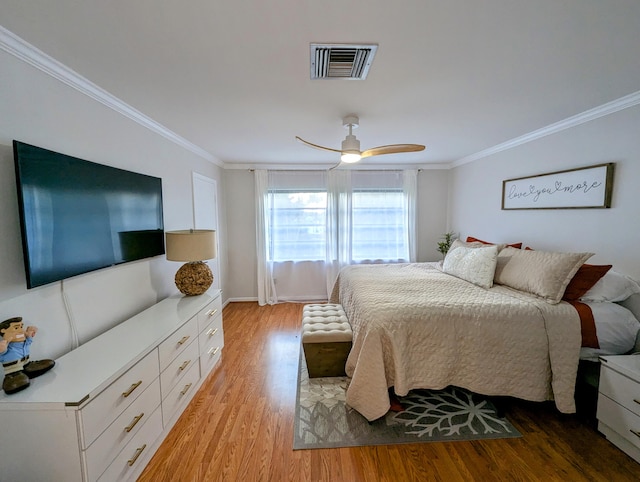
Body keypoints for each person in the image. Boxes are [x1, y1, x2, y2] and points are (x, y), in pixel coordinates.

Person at [0, 317, 55, 394]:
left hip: (27, 364)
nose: (21, 331)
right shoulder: (4, 346)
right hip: (13, 372)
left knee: (49, 362)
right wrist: (3, 346)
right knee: (19, 381)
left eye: (21, 327)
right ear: (3, 331)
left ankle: (28, 371)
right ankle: (16, 377)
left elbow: (28, 342)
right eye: (16, 328)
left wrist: (29, 335)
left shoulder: (22, 343)